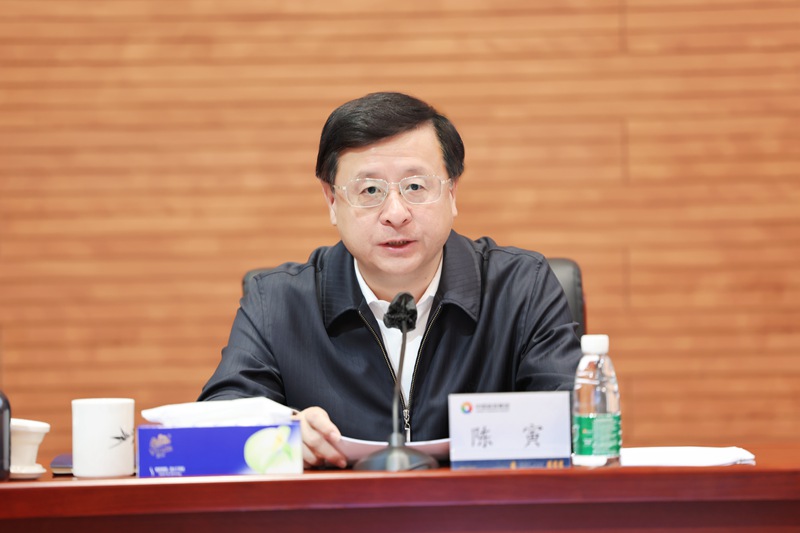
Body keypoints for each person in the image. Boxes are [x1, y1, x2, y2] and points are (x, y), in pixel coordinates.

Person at [199, 92, 582, 469]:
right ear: (332, 200)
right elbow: (212, 430)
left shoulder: (520, 288)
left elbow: (573, 421)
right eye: (370, 190)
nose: (396, 214)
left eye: (415, 186)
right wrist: (283, 431)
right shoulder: (278, 303)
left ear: (452, 192)